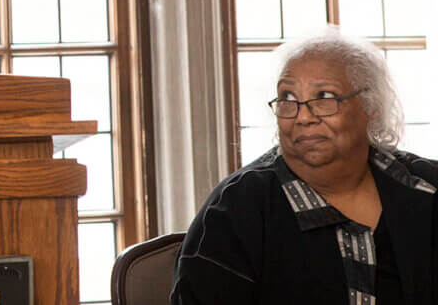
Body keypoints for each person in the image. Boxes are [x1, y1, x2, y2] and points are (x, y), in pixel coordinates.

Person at [171, 28, 438, 304]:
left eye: (324, 96)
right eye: (288, 99)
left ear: (371, 106)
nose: (303, 116)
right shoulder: (236, 209)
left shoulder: (427, 186)